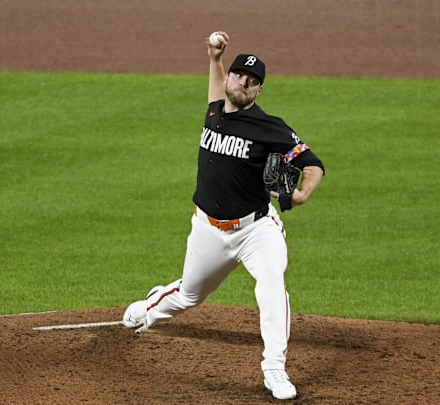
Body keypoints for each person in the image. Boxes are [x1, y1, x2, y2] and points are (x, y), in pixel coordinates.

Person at [122, 31, 325, 400]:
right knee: (188, 295)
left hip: (256, 229)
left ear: (258, 91)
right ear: (230, 78)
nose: (243, 84)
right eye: (238, 76)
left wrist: (300, 194)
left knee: (271, 285)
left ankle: (274, 369)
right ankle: (148, 311)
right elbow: (216, 89)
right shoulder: (215, 109)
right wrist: (215, 57)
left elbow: (312, 164)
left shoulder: (270, 127)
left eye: (252, 82)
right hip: (208, 230)